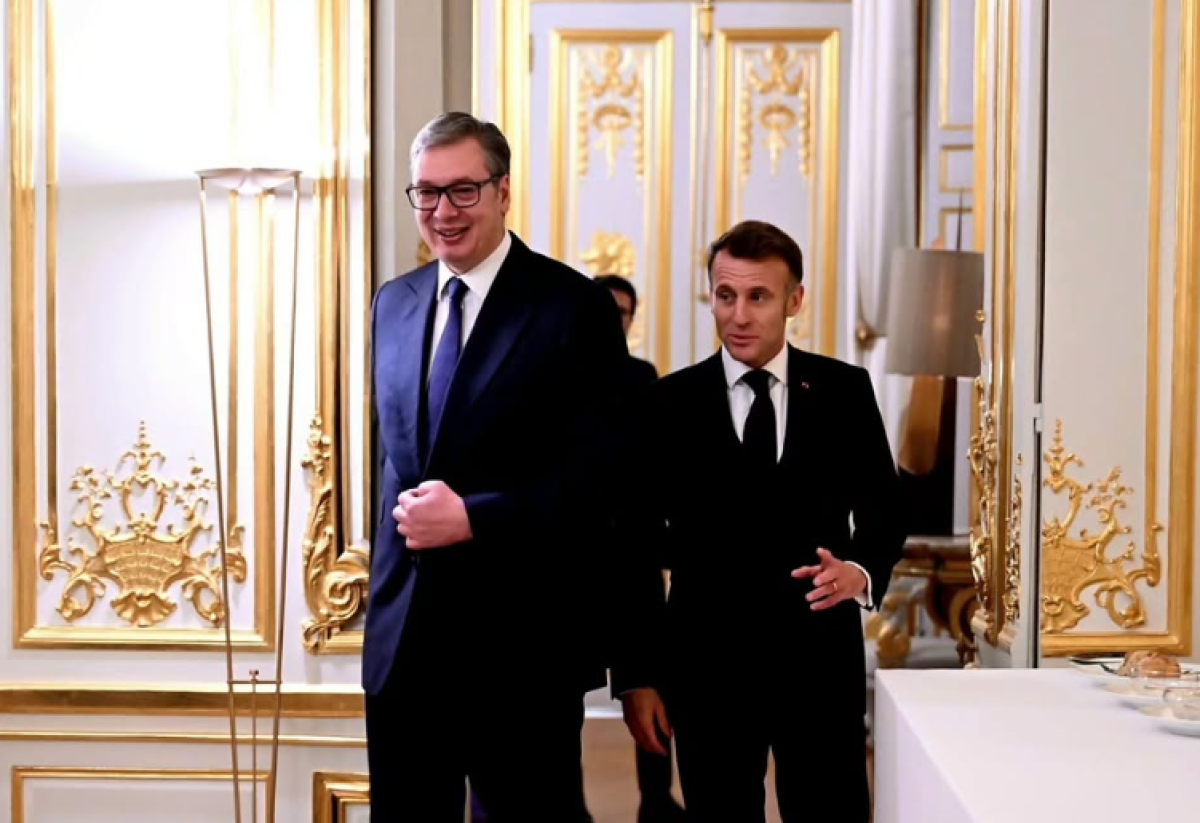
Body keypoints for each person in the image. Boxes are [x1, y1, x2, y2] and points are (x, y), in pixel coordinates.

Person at [364, 111, 632, 822]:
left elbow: (602, 482)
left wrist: (474, 517)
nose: (443, 212)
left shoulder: (572, 306)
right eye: (426, 193)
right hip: (402, 650)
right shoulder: (393, 303)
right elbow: (393, 466)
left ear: (503, 191)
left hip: (522, 653)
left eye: (463, 190)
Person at [612, 220, 905, 823]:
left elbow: (886, 508)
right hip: (706, 671)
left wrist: (859, 570)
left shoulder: (844, 391)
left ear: (795, 300)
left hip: (819, 666)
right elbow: (633, 545)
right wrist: (637, 676)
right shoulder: (667, 402)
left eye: (758, 296)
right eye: (725, 295)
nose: (738, 315)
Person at [594, 274, 686, 823]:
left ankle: (656, 798)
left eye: (623, 313)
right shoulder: (552, 371)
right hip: (576, 552)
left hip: (636, 546)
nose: (614, 321)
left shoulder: (642, 377)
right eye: (606, 310)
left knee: (653, 678)